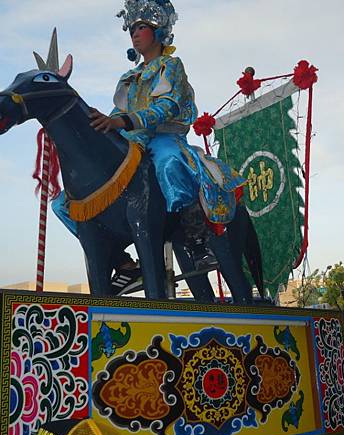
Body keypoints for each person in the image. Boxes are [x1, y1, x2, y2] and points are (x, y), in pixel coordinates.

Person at [51, 0, 246, 288]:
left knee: (169, 163)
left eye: (141, 27)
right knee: (63, 204)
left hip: (164, 136)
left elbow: (167, 105)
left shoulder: (171, 66)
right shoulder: (128, 77)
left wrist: (123, 121)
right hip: (132, 140)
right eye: (132, 28)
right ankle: (123, 262)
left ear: (158, 31)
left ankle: (196, 239)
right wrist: (97, 128)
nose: (134, 33)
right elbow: (118, 113)